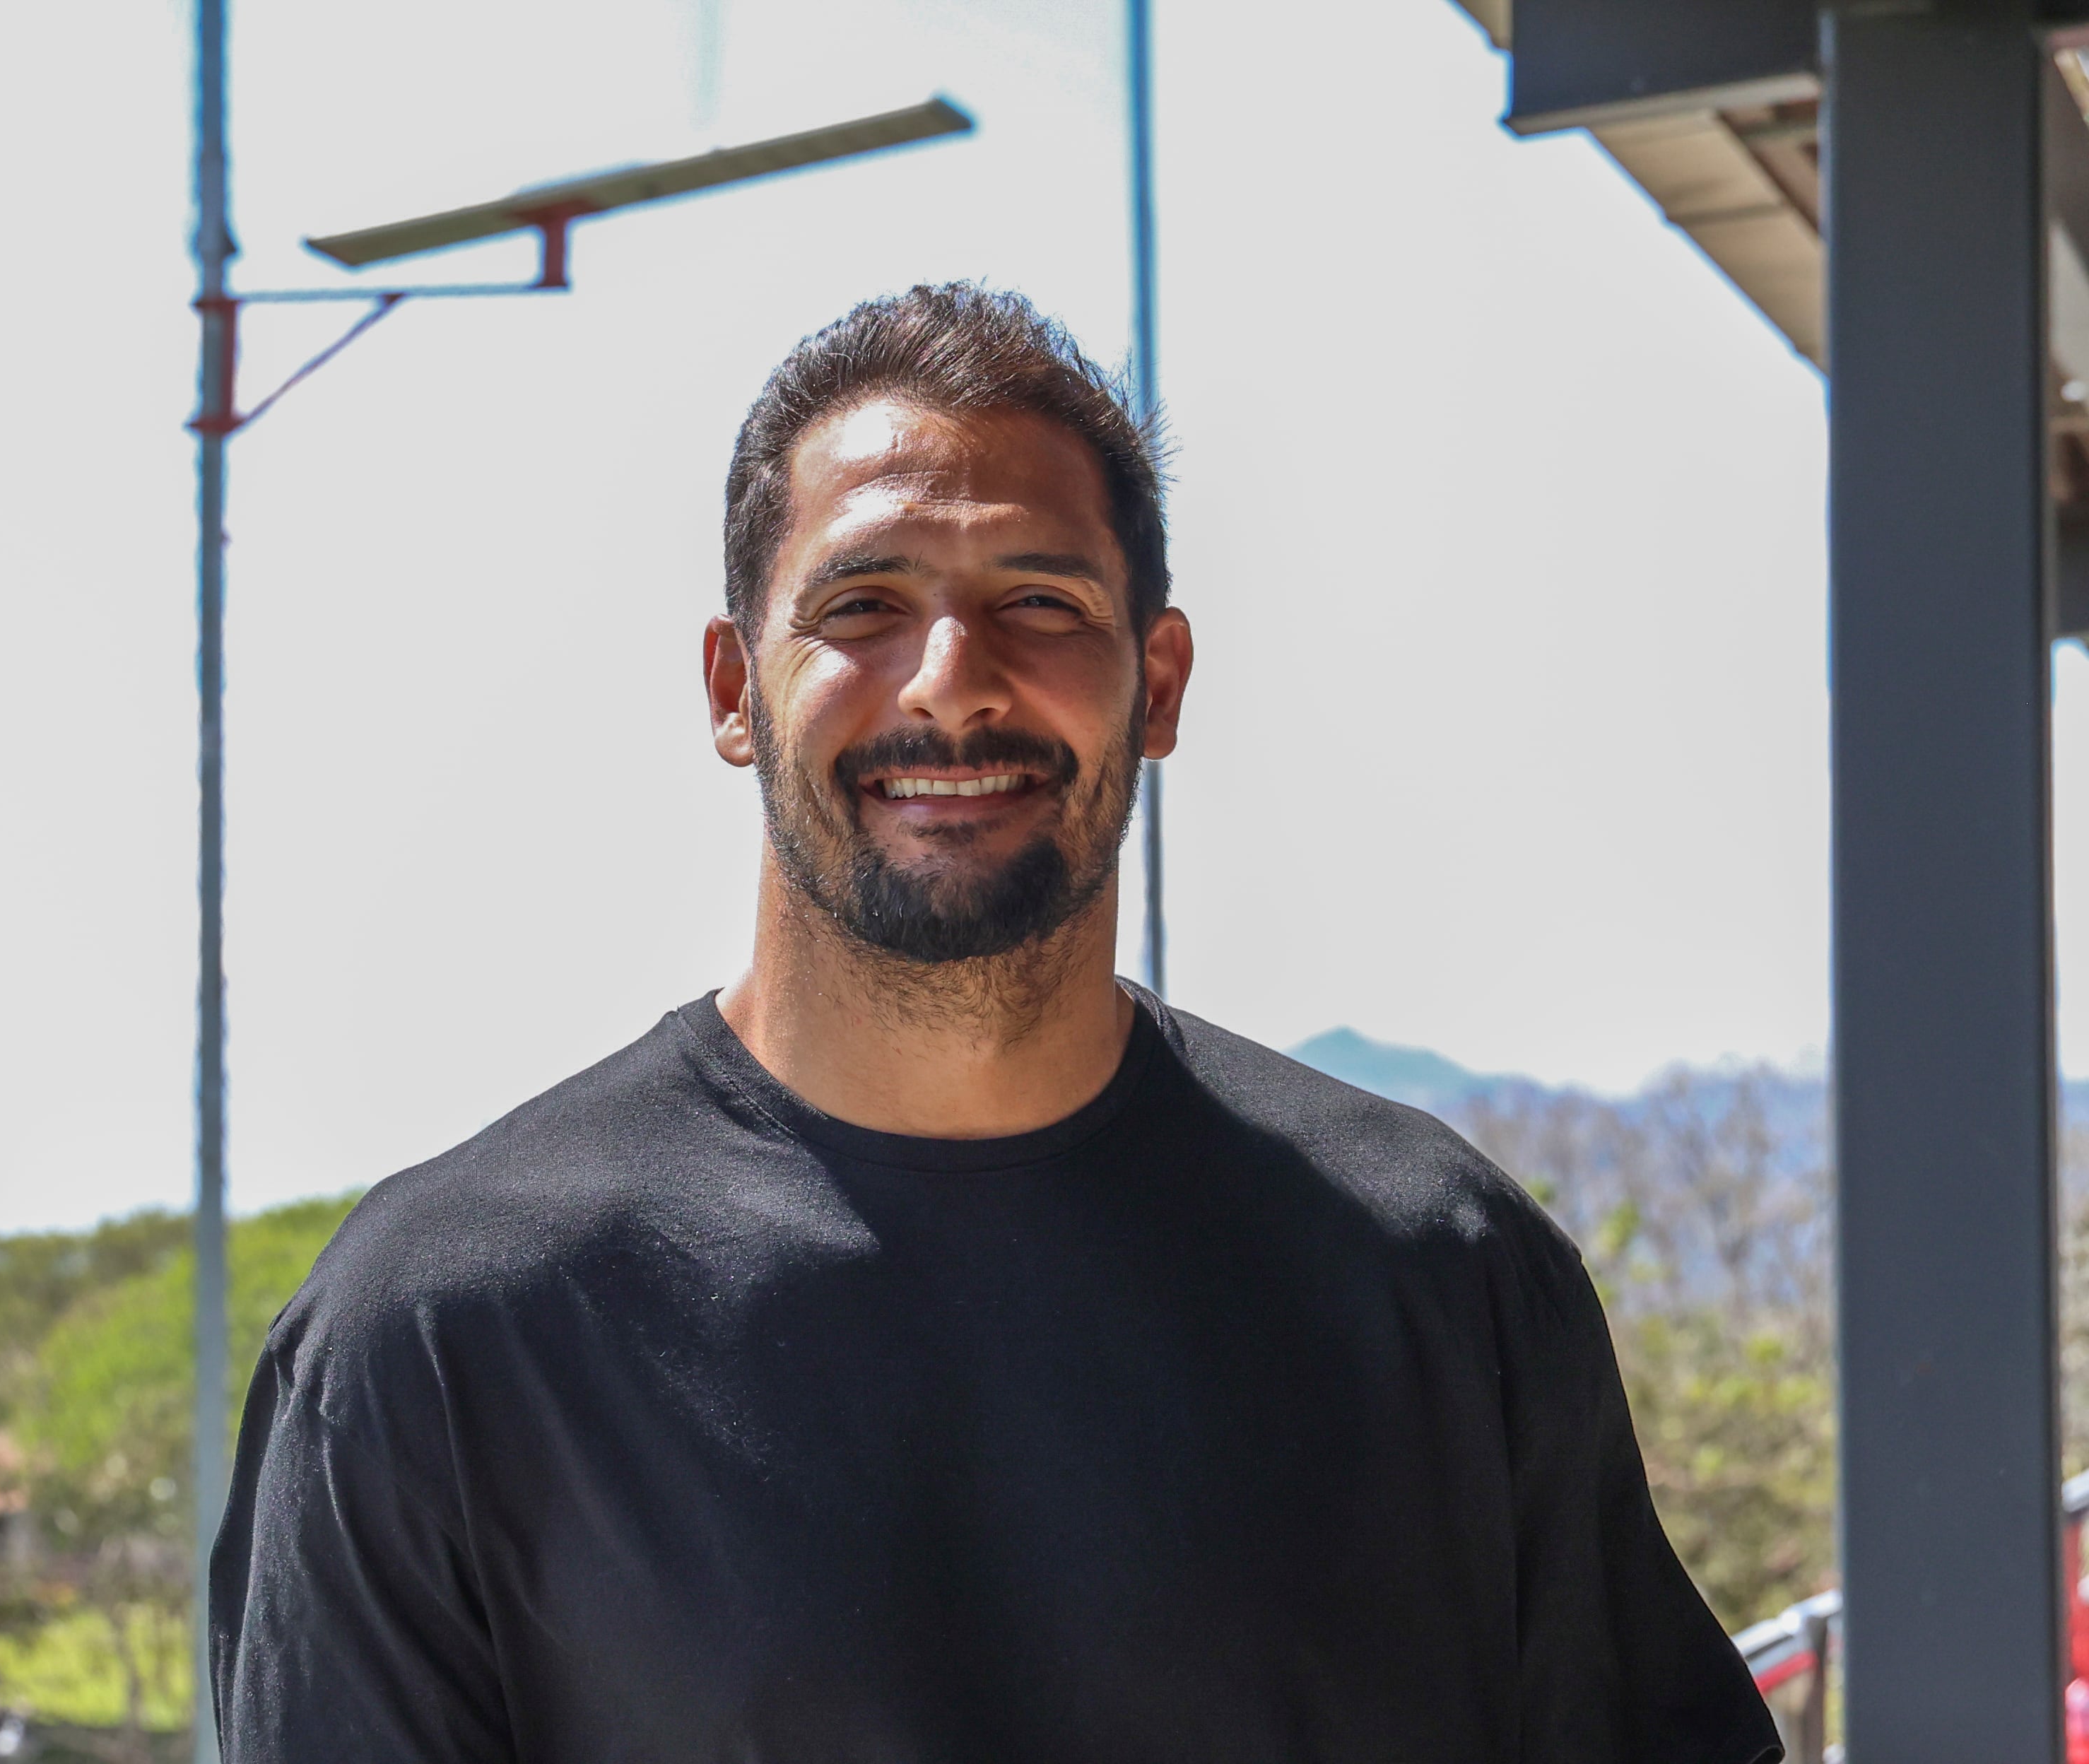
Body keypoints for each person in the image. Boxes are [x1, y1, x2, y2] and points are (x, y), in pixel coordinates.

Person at [208, 284, 1780, 1764]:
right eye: (863, 605)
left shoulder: (1439, 1273)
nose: (952, 684)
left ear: (1156, 682)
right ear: (733, 686)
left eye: (1039, 599)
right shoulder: (436, 1339)